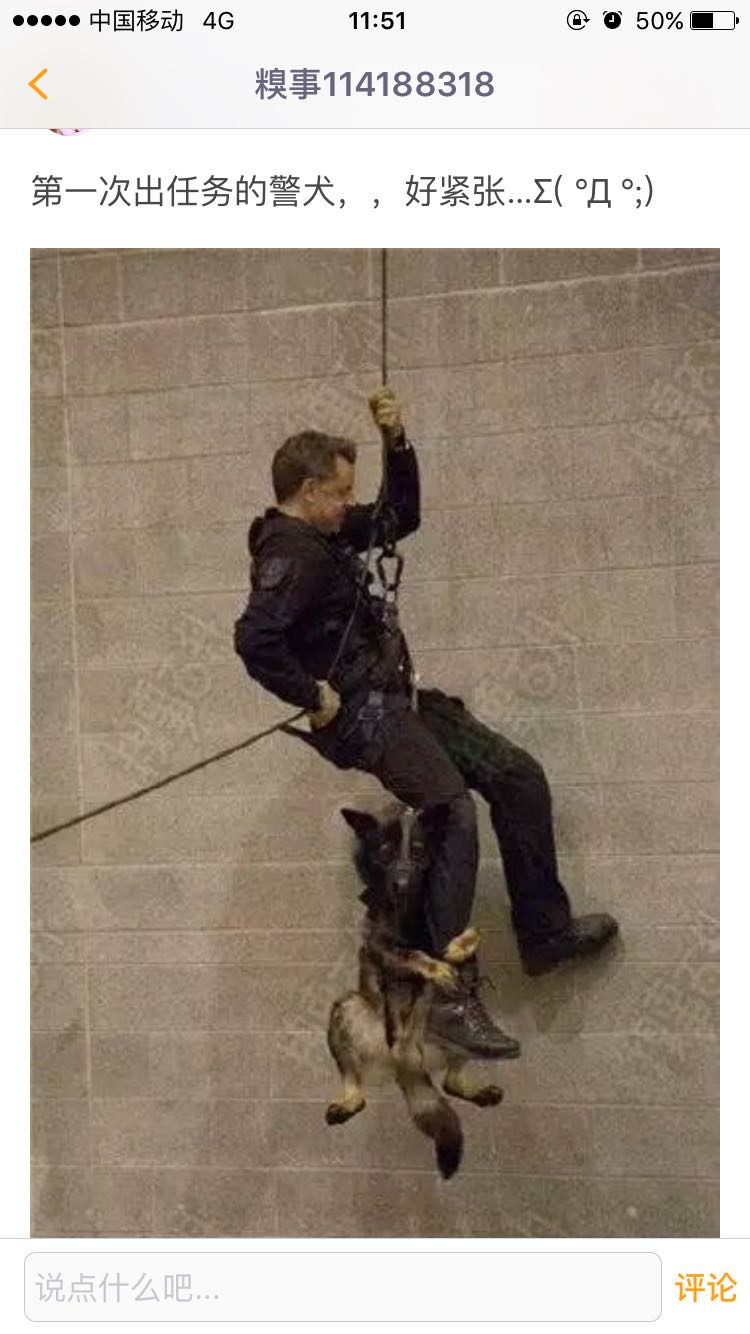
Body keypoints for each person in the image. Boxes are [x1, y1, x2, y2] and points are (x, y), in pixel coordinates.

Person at [233, 388, 618, 1059]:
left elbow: (399, 515)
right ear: (309, 490)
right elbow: (254, 638)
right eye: (341, 492)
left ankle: (543, 932)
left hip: (399, 700)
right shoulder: (290, 552)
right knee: (450, 810)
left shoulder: (325, 533)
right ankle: (444, 995)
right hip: (364, 717)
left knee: (516, 775)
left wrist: (398, 441)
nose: (350, 504)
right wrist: (311, 693)